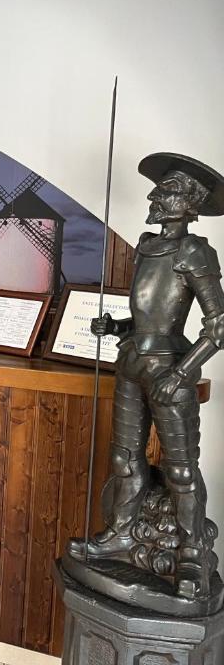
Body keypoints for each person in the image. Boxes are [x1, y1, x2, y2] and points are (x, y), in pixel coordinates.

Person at [68, 153, 224, 601]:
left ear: (189, 202)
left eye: (170, 189)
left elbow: (218, 325)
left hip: (168, 371)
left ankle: (192, 554)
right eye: (160, 188)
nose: (156, 195)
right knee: (124, 459)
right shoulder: (146, 245)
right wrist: (116, 327)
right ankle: (119, 534)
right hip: (132, 362)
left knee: (180, 469)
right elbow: (147, 318)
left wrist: (182, 374)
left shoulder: (194, 250)